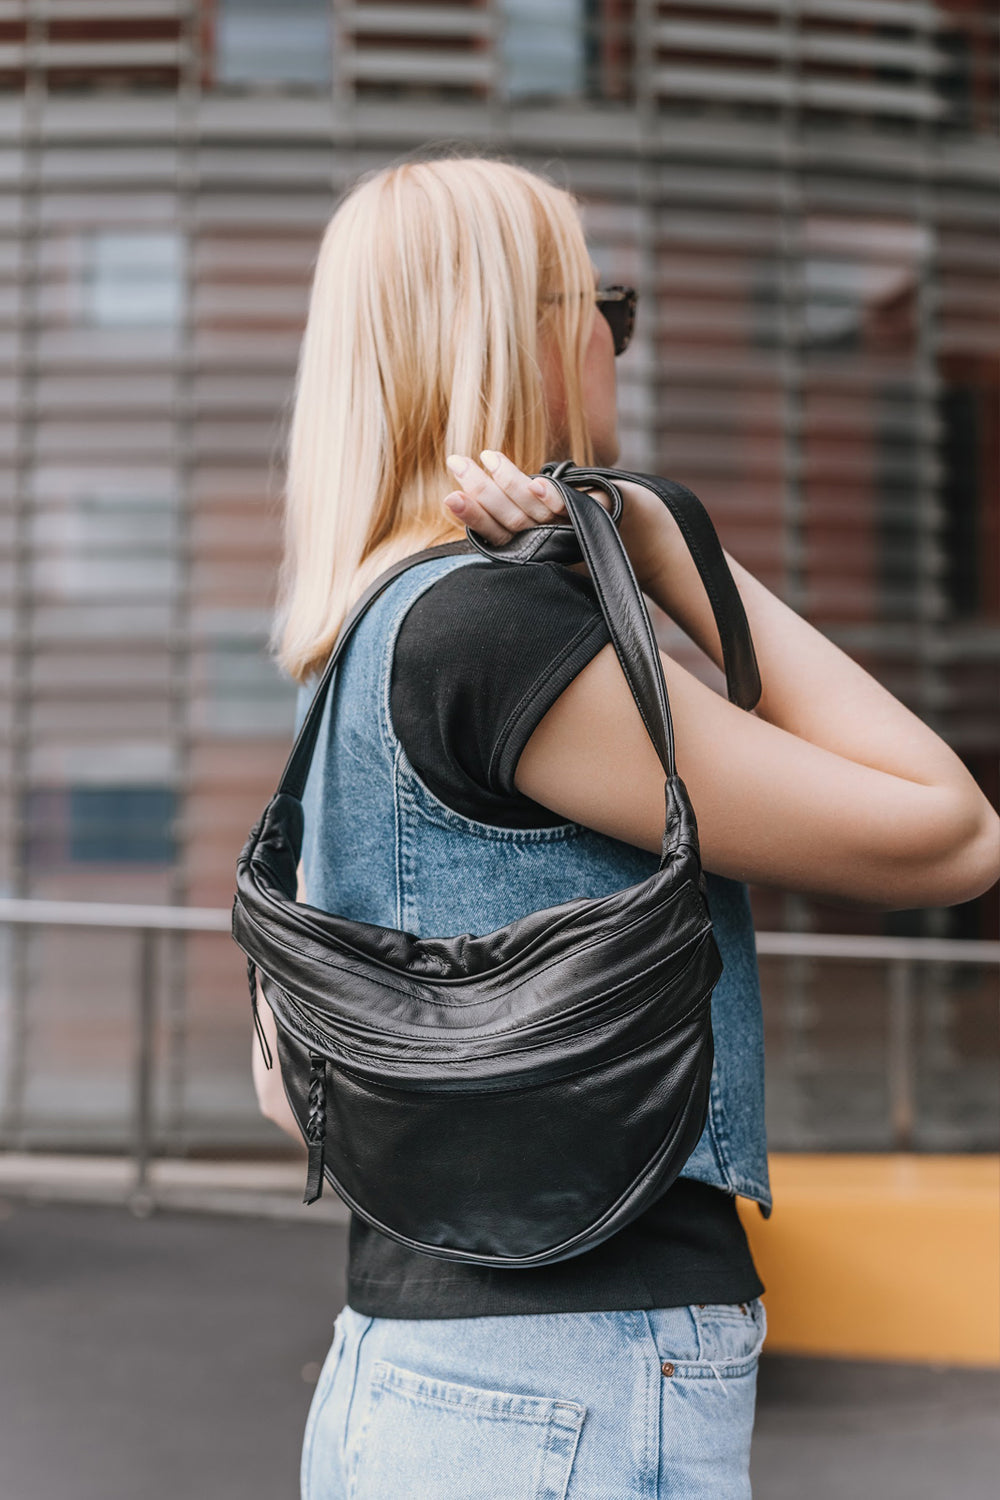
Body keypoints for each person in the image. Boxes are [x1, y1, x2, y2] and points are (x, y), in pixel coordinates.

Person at [251, 156, 999, 1500]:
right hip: (572, 1373)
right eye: (611, 304)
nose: (616, 341)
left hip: (410, 1375)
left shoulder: (362, 643)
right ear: (534, 337)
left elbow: (282, 1077)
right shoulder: (496, 632)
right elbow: (949, 831)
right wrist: (656, 540)